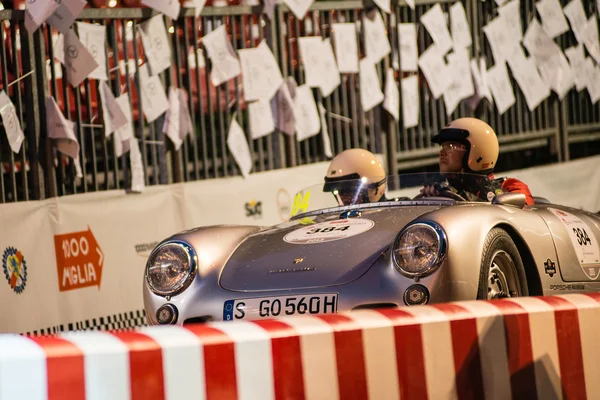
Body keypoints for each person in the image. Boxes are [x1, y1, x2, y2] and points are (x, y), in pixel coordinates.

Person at [420, 117, 535, 205]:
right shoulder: (443, 190)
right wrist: (429, 201)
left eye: (451, 146)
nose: (442, 152)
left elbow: (522, 218)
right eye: (442, 146)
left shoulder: (511, 186)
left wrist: (460, 198)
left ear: (478, 150)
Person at [323, 148, 387, 206]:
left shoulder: (394, 216)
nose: (344, 197)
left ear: (375, 190)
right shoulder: (339, 218)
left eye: (348, 190)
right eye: (340, 192)